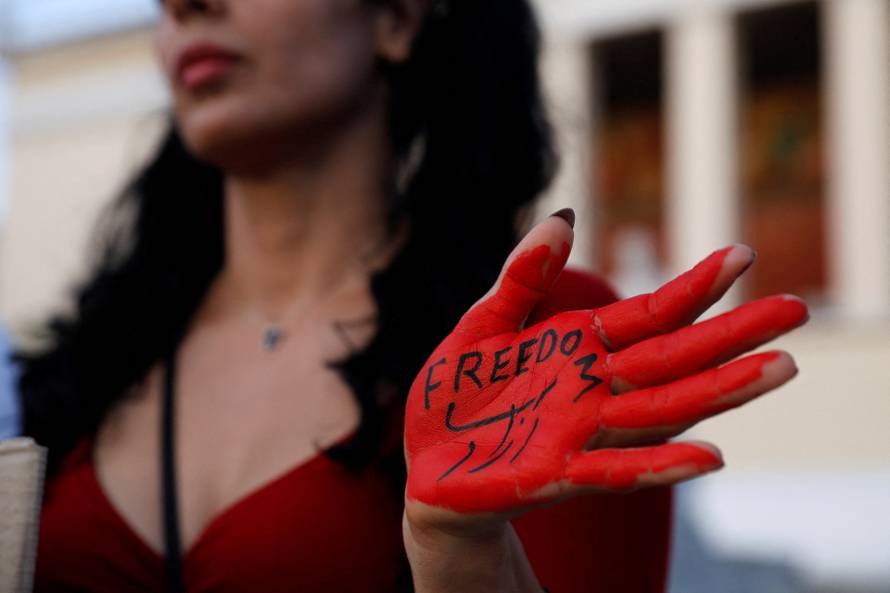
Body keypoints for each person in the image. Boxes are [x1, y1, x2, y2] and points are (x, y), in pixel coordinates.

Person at [15, 0, 808, 591]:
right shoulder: (95, 356)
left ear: (396, 17)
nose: (185, 4)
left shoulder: (544, 333)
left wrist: (463, 557)